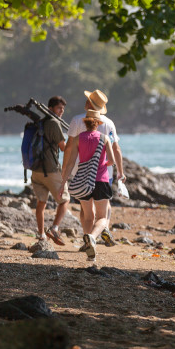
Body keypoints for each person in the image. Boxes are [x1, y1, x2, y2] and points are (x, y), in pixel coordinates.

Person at [59, 108, 120, 261]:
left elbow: (72, 161)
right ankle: (92, 237)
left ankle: (90, 252)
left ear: (85, 122)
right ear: (98, 123)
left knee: (88, 216)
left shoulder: (79, 138)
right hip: (101, 180)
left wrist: (63, 181)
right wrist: (104, 164)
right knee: (102, 217)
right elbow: (111, 161)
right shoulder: (104, 137)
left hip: (83, 180)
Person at [61, 89, 126, 232]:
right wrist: (120, 172)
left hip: (80, 170)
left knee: (86, 210)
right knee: (104, 204)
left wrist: (64, 170)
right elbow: (116, 149)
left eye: (87, 99)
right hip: (104, 173)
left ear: (89, 103)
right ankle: (102, 228)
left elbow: (69, 147)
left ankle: (88, 237)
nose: (85, 101)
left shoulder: (77, 120)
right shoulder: (109, 123)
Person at [31, 95, 69, 246]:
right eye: (59, 108)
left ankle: (41, 235)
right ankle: (54, 228)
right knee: (65, 200)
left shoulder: (40, 122)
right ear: (51, 108)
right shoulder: (54, 123)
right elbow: (63, 147)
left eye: (63, 109)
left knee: (41, 203)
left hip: (36, 170)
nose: (61, 111)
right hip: (51, 170)